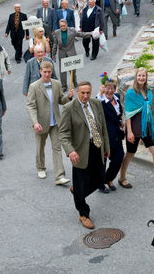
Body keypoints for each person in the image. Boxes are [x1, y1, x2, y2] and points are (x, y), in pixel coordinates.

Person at [59, 81, 110, 229]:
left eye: (88, 92)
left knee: (100, 179)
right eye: (82, 93)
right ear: (77, 92)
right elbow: (63, 133)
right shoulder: (69, 109)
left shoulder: (96, 103)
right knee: (81, 182)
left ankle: (78, 193)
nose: (85, 96)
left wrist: (106, 146)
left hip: (97, 146)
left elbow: (103, 126)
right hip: (80, 151)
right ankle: (83, 213)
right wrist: (70, 150)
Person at [26, 61, 73, 184]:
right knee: (40, 148)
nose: (47, 74)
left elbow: (61, 101)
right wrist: (35, 122)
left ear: (51, 72)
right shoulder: (34, 86)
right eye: (44, 72)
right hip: (41, 123)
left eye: (49, 72)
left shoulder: (57, 84)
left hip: (56, 123)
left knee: (57, 148)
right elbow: (30, 106)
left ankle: (60, 176)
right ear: (40, 71)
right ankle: (41, 167)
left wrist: (69, 97)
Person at [118, 67, 154, 187]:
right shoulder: (131, 92)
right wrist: (129, 132)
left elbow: (148, 109)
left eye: (143, 76)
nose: (141, 78)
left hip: (147, 126)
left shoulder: (148, 91)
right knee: (131, 153)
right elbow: (128, 113)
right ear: (136, 77)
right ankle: (122, 177)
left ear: (146, 77)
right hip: (135, 127)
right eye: (139, 76)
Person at [95, 80, 124, 194]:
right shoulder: (101, 101)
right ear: (104, 89)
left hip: (116, 134)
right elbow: (95, 102)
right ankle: (100, 184)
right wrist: (100, 93)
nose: (110, 90)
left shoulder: (116, 97)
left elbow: (119, 113)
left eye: (112, 88)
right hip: (105, 136)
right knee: (103, 161)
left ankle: (108, 178)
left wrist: (120, 120)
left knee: (118, 158)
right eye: (107, 88)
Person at [51, 19, 91, 92]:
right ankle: (64, 86)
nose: (62, 27)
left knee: (73, 70)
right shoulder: (57, 32)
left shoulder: (72, 30)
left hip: (71, 52)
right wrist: (53, 54)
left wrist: (91, 34)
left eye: (64, 26)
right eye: (61, 26)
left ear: (67, 25)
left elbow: (81, 34)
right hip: (62, 53)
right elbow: (55, 44)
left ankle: (74, 82)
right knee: (62, 71)